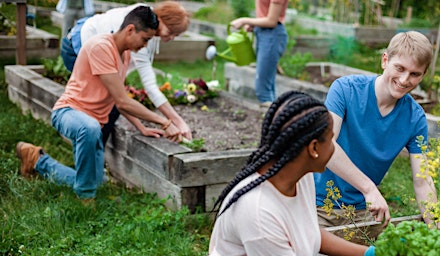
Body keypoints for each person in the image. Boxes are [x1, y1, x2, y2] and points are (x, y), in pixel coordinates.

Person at [15, 6, 180, 203]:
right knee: (90, 131)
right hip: (69, 113)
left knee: (97, 181)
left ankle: (37, 160)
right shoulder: (101, 47)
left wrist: (141, 127)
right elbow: (123, 102)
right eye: (145, 39)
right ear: (130, 30)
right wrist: (165, 122)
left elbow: (120, 98)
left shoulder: (124, 55)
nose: (145, 46)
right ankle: (85, 199)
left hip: (91, 125)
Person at [209, 91, 376, 256]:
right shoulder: (259, 213)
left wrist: (371, 253)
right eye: (332, 140)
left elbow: (310, 234)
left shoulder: (300, 176)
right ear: (313, 148)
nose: (334, 148)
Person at [314, 31, 439, 228]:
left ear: (423, 75)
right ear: (385, 60)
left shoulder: (415, 118)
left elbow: (423, 182)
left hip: (365, 212)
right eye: (400, 68)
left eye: (414, 74)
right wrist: (369, 188)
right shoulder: (345, 90)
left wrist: (437, 233)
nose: (405, 80)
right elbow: (325, 146)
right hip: (318, 204)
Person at [60, 1, 192, 145]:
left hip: (91, 36)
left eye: (176, 35)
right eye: (171, 31)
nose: (172, 37)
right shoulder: (138, 30)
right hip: (76, 44)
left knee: (112, 102)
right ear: (161, 20)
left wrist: (142, 127)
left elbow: (123, 97)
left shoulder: (146, 26)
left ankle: (95, 152)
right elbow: (148, 88)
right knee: (99, 104)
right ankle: (89, 152)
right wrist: (176, 122)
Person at [230, 0, 288, 107]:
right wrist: (255, 25)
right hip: (264, 33)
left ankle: (270, 120)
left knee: (263, 90)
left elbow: (272, 21)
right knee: (267, 85)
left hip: (272, 35)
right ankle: (274, 119)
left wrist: (244, 20)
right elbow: (266, 13)